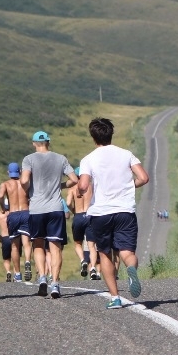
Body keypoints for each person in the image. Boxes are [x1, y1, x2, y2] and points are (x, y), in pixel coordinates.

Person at [77, 118, 149, 309]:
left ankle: (115, 298)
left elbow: (83, 185)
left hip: (101, 213)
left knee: (105, 254)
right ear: (111, 134)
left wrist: (80, 191)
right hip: (125, 210)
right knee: (127, 252)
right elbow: (144, 177)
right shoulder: (126, 154)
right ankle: (131, 268)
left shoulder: (88, 159)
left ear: (93, 137)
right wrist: (128, 186)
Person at [20, 131, 79, 299]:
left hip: (37, 208)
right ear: (48, 142)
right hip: (55, 208)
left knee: (38, 245)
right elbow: (74, 179)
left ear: (34, 143)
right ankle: (55, 283)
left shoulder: (29, 159)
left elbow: (24, 181)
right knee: (55, 247)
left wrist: (28, 190)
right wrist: (60, 185)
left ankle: (42, 278)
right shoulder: (61, 158)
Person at [0, 162, 33, 283]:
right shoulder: (25, 183)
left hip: (13, 214)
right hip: (26, 212)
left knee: (14, 246)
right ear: (20, 172)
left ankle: (17, 274)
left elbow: (0, 196)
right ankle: (27, 261)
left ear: (8, 172)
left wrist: (3, 208)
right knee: (27, 242)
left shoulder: (5, 184)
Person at [66, 166, 100, 280]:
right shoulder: (91, 187)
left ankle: (83, 260)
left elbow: (68, 203)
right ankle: (93, 268)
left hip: (78, 216)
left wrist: (73, 211)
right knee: (92, 245)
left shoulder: (72, 188)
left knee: (77, 243)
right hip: (90, 215)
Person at [0, 203, 14, 282]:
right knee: (15, 257)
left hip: (5, 238)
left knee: (6, 259)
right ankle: (16, 274)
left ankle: (8, 272)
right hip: (14, 237)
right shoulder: (12, 213)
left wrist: (0, 237)